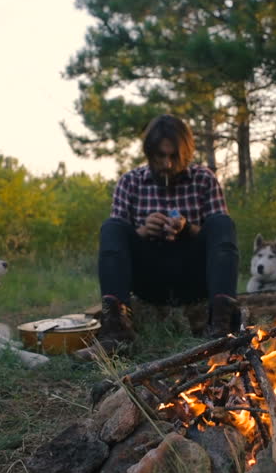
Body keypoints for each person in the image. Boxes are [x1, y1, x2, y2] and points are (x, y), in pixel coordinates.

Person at [74, 114, 240, 361]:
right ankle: (116, 332)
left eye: (174, 157)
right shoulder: (130, 183)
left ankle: (221, 328)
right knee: (112, 227)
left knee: (221, 222)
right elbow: (117, 246)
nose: (167, 164)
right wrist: (142, 232)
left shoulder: (204, 179)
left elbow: (218, 240)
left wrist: (187, 229)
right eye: (160, 156)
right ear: (149, 154)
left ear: (185, 153)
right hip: (149, 280)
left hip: (193, 277)